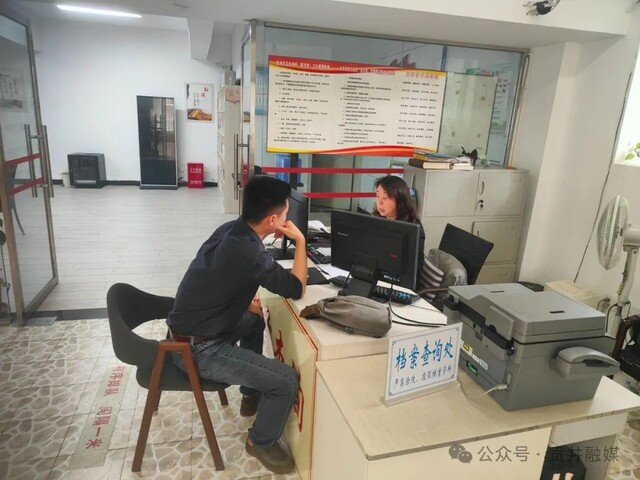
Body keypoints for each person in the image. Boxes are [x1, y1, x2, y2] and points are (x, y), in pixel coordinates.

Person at [166, 175, 308, 474]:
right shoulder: (251, 253)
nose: (287, 218)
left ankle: (250, 393)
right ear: (273, 220)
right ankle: (260, 442)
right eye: (285, 213)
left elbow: (215, 278)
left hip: (190, 330)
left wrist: (244, 303)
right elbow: (296, 288)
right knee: (285, 381)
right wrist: (300, 241)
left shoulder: (231, 230)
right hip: (198, 350)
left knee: (255, 320)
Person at [372, 175, 425, 289]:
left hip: (399, 285)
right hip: (377, 277)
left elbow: (411, 269)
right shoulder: (378, 219)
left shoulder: (413, 228)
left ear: (400, 200)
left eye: (385, 198)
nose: (379, 202)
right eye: (377, 196)